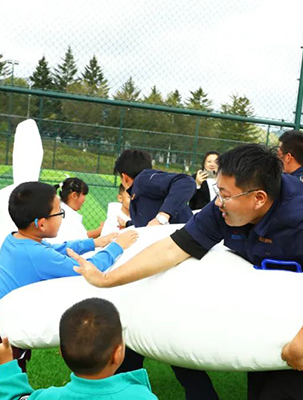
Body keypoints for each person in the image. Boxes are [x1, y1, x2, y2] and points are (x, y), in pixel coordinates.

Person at [70, 144, 303, 400]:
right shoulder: (227, 207)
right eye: (218, 192)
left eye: (225, 195)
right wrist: (108, 279)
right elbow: (173, 248)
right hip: (269, 321)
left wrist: (302, 344)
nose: (218, 202)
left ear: (259, 198)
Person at [0, 181, 138, 400]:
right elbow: (87, 269)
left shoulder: (15, 239)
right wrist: (118, 246)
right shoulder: (37, 255)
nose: (62, 217)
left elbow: (57, 248)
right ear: (41, 224)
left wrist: (95, 242)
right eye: (59, 212)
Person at [113, 148, 218, 400]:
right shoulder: (143, 189)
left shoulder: (143, 179)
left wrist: (161, 218)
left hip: (172, 269)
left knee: (161, 337)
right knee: (142, 334)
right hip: (164, 271)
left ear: (125, 176)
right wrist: (130, 226)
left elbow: (184, 182)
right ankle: (126, 387)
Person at [0, 298, 158, 400]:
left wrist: (6, 363)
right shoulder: (142, 397)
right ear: (118, 353)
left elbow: (15, 398)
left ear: (62, 354)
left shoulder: (50, 397)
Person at [114, 149, 196, 227]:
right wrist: (127, 224)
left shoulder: (142, 179)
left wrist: (163, 217)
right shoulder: (138, 193)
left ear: (124, 177)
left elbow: (186, 181)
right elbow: (147, 221)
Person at [47, 177, 103, 244]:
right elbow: (81, 242)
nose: (85, 199)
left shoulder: (58, 208)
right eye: (84, 194)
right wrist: (101, 230)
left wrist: (99, 230)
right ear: (74, 195)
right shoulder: (67, 216)